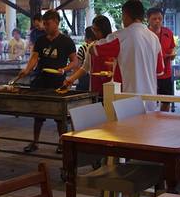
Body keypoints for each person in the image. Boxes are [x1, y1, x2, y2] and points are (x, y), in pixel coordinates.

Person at [18, 10, 78, 153]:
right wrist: (27, 70)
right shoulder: (41, 40)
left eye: (47, 24)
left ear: (56, 22)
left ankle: (62, 142)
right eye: (44, 24)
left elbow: (75, 61)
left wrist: (65, 69)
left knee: (60, 116)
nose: (45, 27)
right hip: (41, 80)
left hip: (58, 82)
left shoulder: (66, 41)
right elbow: (34, 58)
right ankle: (35, 142)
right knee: (38, 114)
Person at [91, 0, 163, 111]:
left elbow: (94, 49)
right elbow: (159, 71)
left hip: (127, 100)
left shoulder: (120, 37)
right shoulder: (154, 38)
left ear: (126, 15)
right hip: (150, 100)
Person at [63, 15, 117, 96]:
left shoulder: (115, 44)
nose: (95, 33)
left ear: (104, 29)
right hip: (95, 88)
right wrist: (71, 79)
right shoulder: (92, 46)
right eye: (94, 30)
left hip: (113, 87)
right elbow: (85, 68)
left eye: (97, 30)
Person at [147, 7, 176, 111]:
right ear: (148, 19)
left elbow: (172, 48)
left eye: (160, 18)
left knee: (166, 101)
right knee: (149, 101)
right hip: (150, 75)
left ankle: (163, 118)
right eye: (154, 19)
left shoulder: (168, 32)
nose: (157, 21)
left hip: (166, 74)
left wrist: (172, 55)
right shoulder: (145, 34)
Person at [74, 27, 95, 91]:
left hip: (84, 78)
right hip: (95, 77)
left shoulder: (82, 48)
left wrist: (74, 78)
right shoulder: (98, 46)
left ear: (88, 37)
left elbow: (78, 65)